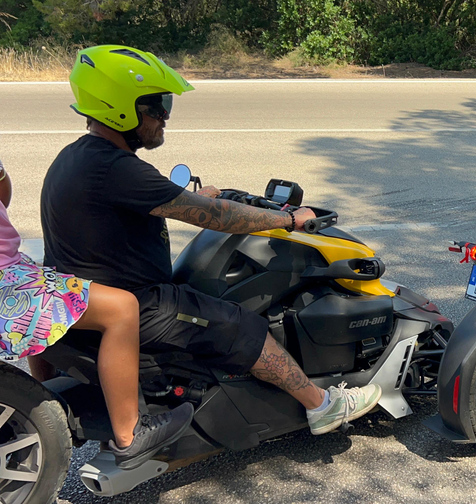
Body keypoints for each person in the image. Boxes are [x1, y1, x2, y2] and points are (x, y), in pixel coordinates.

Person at [40, 44, 381, 437]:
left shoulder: (77, 157)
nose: (165, 115)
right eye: (156, 106)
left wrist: (196, 198)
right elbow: (220, 218)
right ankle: (321, 405)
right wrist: (289, 219)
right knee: (241, 326)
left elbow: (139, 203)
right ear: (120, 109)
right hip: (140, 303)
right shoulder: (118, 168)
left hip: (83, 296)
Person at [0, 158, 194, 469]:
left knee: (46, 286)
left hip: (11, 269)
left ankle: (43, 394)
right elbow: (2, 189)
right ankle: (131, 434)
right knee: (122, 307)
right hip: (6, 279)